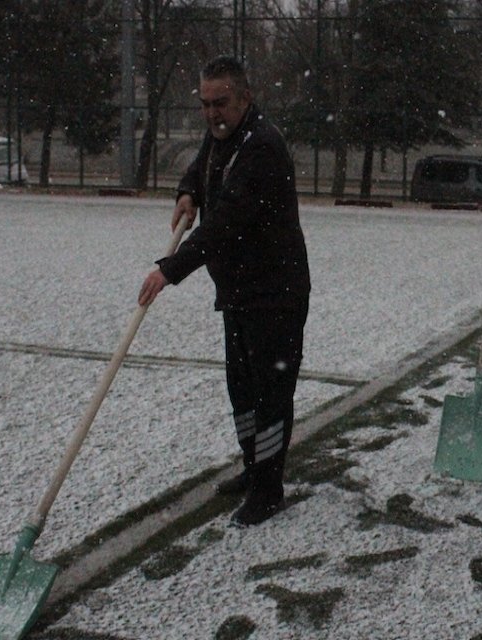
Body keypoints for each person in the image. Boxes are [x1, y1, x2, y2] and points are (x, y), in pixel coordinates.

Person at [138, 55, 310, 526]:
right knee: (242, 389)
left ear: (245, 98)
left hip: (275, 291)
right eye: (205, 104)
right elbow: (202, 166)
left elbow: (225, 225)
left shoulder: (262, 147)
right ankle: (254, 468)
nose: (212, 113)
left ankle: (268, 490)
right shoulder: (223, 135)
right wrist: (187, 191)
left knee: (270, 393)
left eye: (221, 103)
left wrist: (169, 270)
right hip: (237, 289)